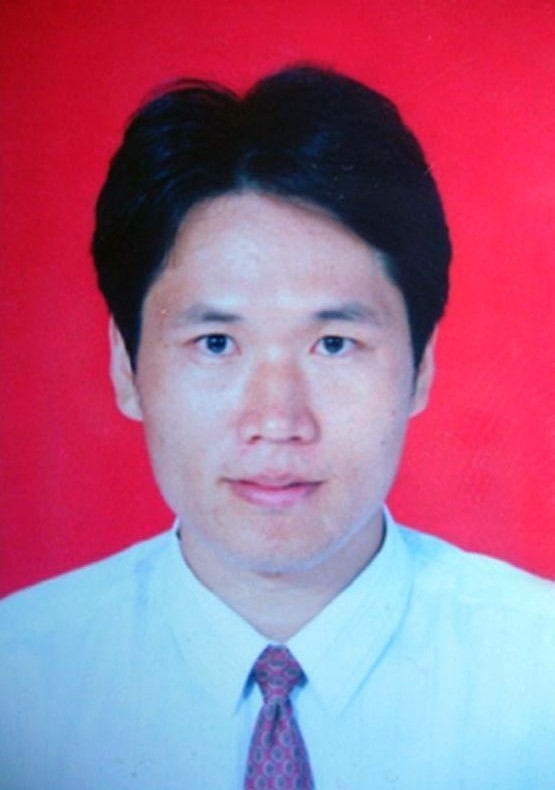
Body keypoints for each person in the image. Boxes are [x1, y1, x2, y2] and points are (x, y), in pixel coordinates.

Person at [1, 65, 554, 790]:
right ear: (125, 366)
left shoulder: (537, 680)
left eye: (333, 344)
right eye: (215, 343)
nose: (276, 421)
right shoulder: (19, 685)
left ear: (420, 365)